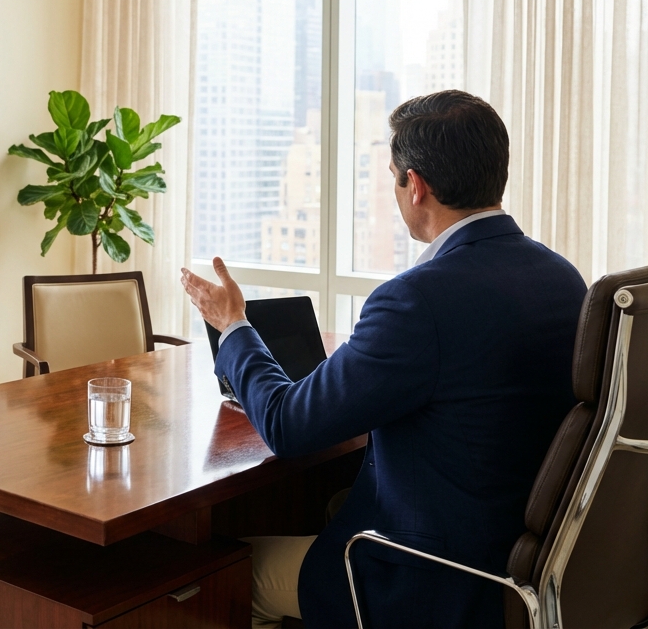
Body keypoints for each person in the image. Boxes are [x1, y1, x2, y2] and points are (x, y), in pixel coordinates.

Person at [180, 90, 586, 629]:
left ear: (414, 185)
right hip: (522, 563)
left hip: (435, 579)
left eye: (393, 175)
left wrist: (234, 327)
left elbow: (287, 424)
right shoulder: (562, 277)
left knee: (232, 576)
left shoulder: (417, 299)